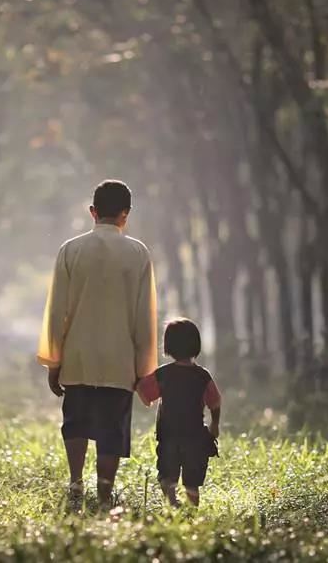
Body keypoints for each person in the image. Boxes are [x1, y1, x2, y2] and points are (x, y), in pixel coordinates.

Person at [37, 179, 158, 509]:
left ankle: (76, 483)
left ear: (92, 212)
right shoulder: (137, 253)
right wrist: (145, 369)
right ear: (125, 215)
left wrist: (54, 361)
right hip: (119, 361)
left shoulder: (71, 250)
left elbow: (57, 310)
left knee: (74, 420)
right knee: (112, 430)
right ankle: (105, 495)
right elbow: (143, 317)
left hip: (77, 355)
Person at [137, 318, 221, 507]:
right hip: (195, 436)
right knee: (193, 480)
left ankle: (172, 503)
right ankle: (192, 512)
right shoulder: (202, 375)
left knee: (167, 473)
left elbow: (145, 396)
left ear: (168, 346)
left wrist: (137, 381)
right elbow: (215, 402)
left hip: (168, 434)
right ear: (196, 345)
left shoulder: (163, 374)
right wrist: (215, 424)